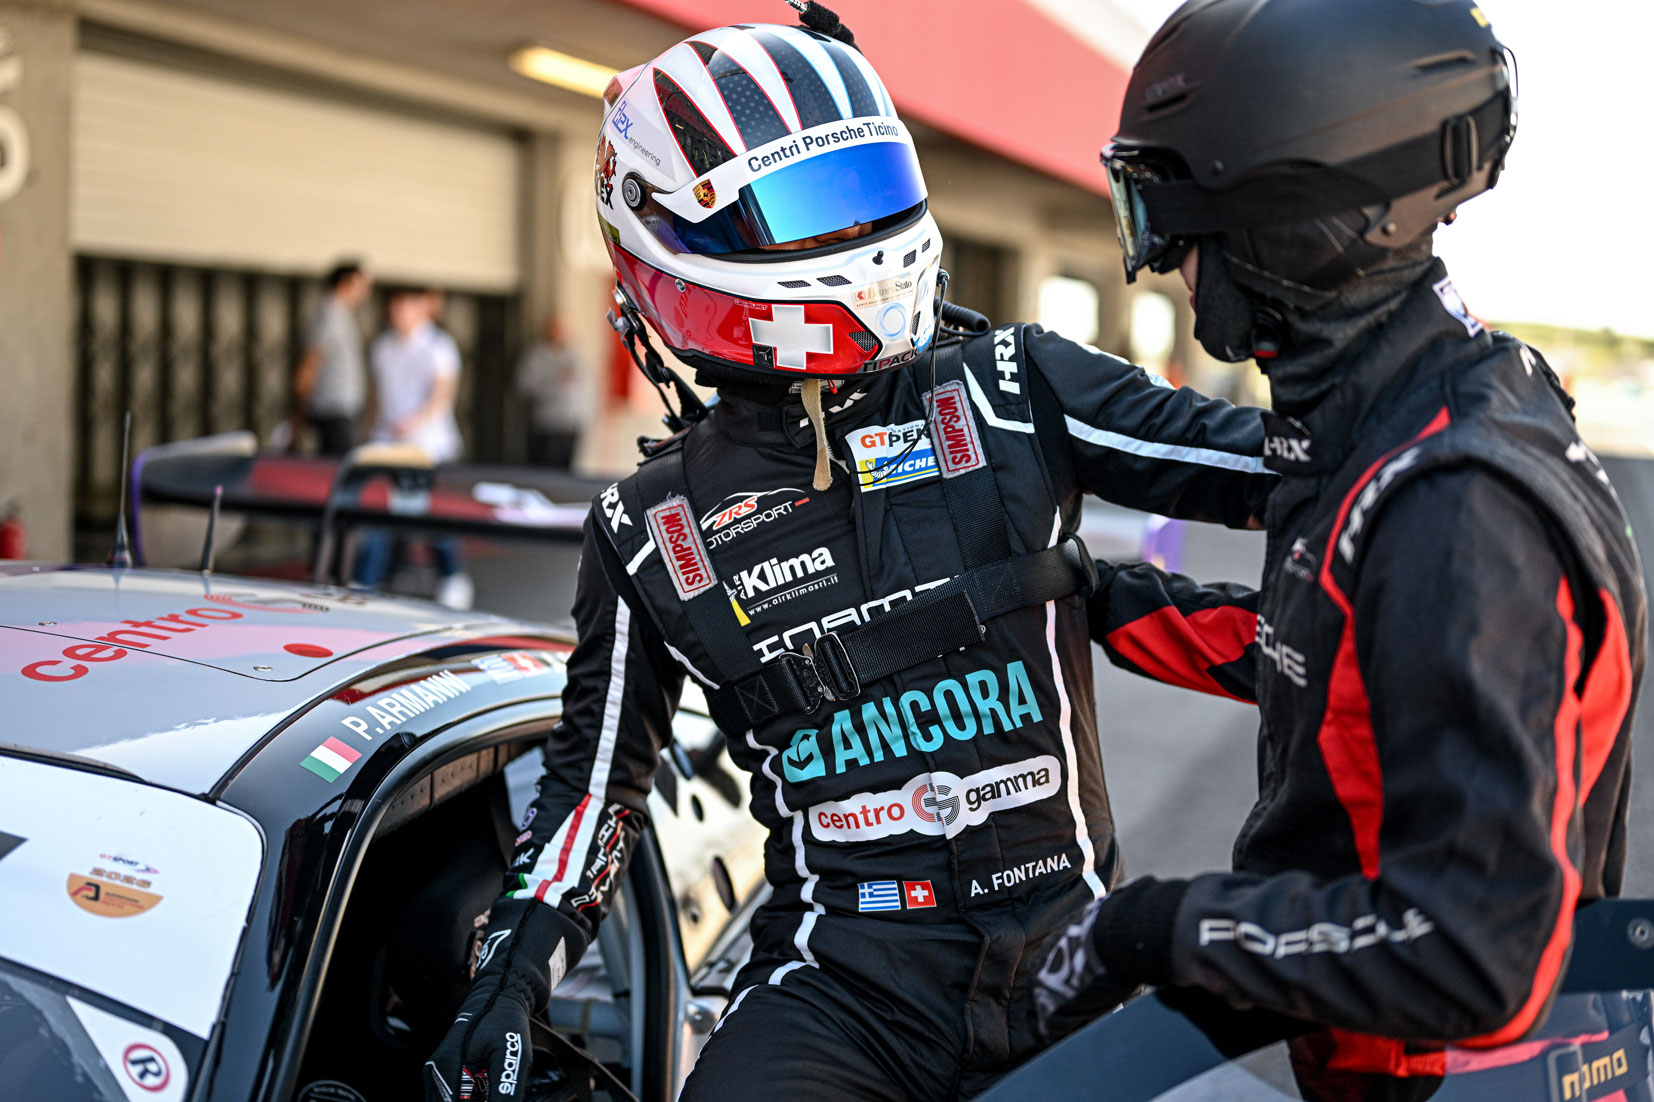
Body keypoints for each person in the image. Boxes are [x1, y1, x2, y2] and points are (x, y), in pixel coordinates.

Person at [424, 14, 1276, 1101]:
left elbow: (1287, 471)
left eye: (876, 187)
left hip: (1071, 963)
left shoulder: (1014, 386)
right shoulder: (649, 526)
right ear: (675, 238)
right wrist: (504, 985)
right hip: (841, 988)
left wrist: (1425, 387)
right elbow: (594, 795)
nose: (865, 232)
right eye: (814, 204)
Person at [1031, 0, 1647, 1086]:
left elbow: (1475, 950)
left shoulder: (1455, 502)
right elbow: (1335, 657)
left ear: (1281, 223)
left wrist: (1164, 929)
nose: (1164, 263)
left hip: (1458, 1075)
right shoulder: (1417, 402)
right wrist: (1096, 600)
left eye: (1171, 220)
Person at [354, 285, 473, 610]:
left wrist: (415, 421)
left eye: (406, 305)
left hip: (428, 447)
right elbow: (377, 395)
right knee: (379, 512)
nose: (399, 313)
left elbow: (442, 393)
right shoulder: (383, 347)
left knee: (433, 514)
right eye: (395, 306)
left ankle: (452, 576)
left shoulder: (438, 346)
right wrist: (368, 432)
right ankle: (366, 580)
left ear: (421, 308)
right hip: (387, 445)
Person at [290, 259, 371, 456]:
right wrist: (299, 414)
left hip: (341, 409)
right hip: (331, 410)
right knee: (333, 465)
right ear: (346, 283)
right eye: (362, 284)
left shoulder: (342, 314)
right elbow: (310, 364)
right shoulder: (330, 315)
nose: (366, 291)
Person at [514, 316, 587, 469]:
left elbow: (584, 389)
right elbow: (523, 387)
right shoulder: (535, 356)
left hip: (569, 426)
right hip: (545, 426)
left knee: (566, 471)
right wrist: (554, 383)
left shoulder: (574, 357)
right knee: (543, 469)